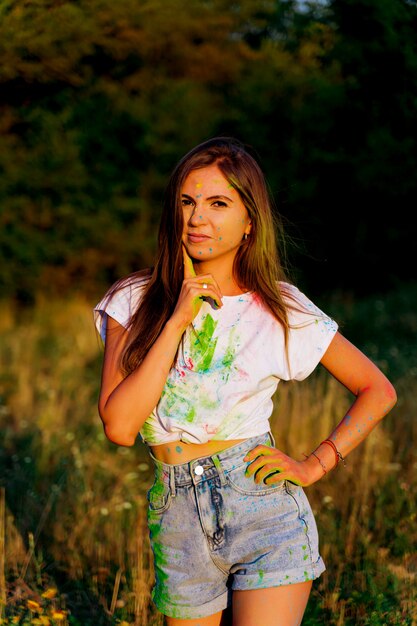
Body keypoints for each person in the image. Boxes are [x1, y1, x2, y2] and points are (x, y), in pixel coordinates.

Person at [94, 137, 397, 626]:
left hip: (263, 507)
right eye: (187, 202)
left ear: (249, 220)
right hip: (177, 514)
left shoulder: (279, 306)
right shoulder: (134, 299)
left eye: (218, 204)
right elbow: (120, 427)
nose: (198, 218)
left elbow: (378, 390)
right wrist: (176, 321)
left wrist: (315, 465)